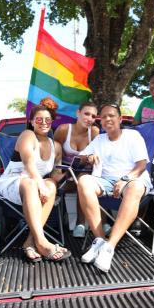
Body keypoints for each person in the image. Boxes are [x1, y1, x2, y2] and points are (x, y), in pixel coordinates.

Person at [76, 103, 152, 272]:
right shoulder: (99, 139)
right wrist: (89, 157)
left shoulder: (133, 136)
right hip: (106, 181)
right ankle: (100, 240)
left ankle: (109, 247)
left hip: (133, 179)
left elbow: (141, 166)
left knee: (134, 188)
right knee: (84, 181)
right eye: (103, 117)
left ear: (120, 118)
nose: (107, 119)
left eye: (111, 115)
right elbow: (80, 158)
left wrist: (125, 179)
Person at [0, 99, 71, 263]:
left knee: (51, 184)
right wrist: (40, 184)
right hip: (13, 184)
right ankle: (42, 242)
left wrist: (71, 173)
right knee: (32, 183)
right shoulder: (27, 135)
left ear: (52, 121)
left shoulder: (56, 146)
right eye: (39, 119)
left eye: (47, 119)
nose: (43, 122)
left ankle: (31, 241)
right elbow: (29, 164)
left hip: (36, 188)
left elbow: (55, 174)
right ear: (31, 121)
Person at [53, 101, 110, 238]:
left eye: (93, 116)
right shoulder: (63, 130)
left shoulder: (94, 132)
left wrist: (91, 158)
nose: (89, 118)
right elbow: (54, 154)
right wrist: (58, 175)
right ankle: (82, 223)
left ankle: (94, 223)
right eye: (86, 114)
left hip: (87, 174)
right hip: (66, 174)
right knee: (83, 179)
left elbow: (99, 155)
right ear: (78, 113)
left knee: (87, 179)